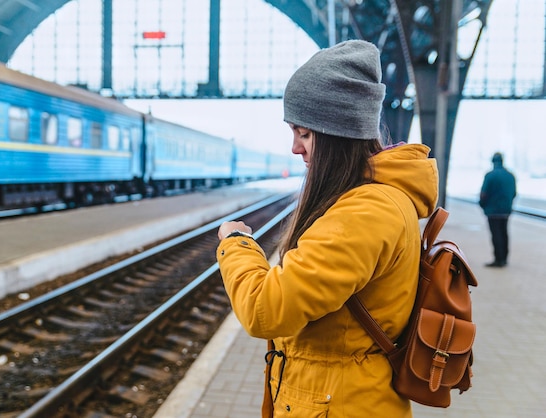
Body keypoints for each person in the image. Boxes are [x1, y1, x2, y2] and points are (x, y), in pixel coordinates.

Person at [216, 40, 438, 418]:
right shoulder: (372, 201)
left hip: (340, 404)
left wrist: (236, 244)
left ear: (336, 133)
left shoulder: (365, 211)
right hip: (337, 395)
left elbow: (265, 309)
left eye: (303, 133)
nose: (295, 148)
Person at [479, 152, 516, 267]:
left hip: (492, 211)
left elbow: (484, 193)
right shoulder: (510, 175)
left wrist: (483, 205)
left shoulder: (490, 175)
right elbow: (514, 193)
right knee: (504, 233)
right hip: (506, 210)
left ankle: (498, 259)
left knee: (496, 235)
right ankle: (504, 258)